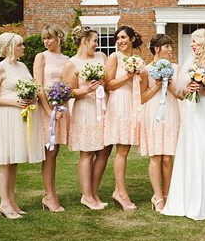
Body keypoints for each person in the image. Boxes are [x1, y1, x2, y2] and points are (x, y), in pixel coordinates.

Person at [162, 29, 205, 220]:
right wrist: (189, 88)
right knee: (190, 151)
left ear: (204, 43)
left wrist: (204, 91)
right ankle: (185, 198)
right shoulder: (191, 62)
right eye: (191, 42)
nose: (192, 45)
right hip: (192, 112)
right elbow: (181, 92)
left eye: (195, 42)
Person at [0, 32, 44, 219]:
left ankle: (12, 201)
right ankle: (4, 203)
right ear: (9, 48)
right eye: (20, 45)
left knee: (14, 160)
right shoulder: (0, 68)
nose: (23, 47)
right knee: (5, 160)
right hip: (7, 117)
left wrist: (32, 96)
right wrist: (14, 102)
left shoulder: (23, 66)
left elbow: (31, 87)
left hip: (21, 117)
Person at [62, 26, 111, 210]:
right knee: (88, 152)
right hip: (86, 110)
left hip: (103, 108)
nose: (97, 44)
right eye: (94, 41)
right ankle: (86, 196)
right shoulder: (71, 64)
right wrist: (86, 89)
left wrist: (103, 83)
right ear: (84, 41)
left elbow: (108, 81)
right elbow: (68, 92)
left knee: (104, 151)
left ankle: (95, 193)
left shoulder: (102, 58)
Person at [103, 26, 145, 211]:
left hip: (132, 103)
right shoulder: (114, 57)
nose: (120, 41)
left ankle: (118, 191)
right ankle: (120, 193)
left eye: (123, 37)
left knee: (125, 149)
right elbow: (108, 84)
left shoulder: (138, 60)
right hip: (119, 103)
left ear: (132, 39)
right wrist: (128, 76)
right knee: (121, 150)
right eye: (118, 38)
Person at [140, 34, 182, 212]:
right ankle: (157, 195)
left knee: (168, 156)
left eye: (171, 47)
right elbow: (142, 98)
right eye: (167, 47)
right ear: (156, 49)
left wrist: (169, 83)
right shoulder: (145, 70)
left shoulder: (176, 68)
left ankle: (167, 193)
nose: (171, 50)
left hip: (171, 111)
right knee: (156, 155)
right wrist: (157, 86)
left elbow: (180, 94)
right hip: (153, 112)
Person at [34, 24, 69, 212]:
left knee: (54, 152)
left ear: (59, 38)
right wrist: (49, 111)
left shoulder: (66, 59)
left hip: (61, 107)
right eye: (44, 39)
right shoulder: (41, 57)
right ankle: (49, 196)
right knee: (49, 151)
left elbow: (68, 84)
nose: (47, 42)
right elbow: (38, 85)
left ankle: (49, 194)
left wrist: (62, 105)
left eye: (50, 38)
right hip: (45, 108)